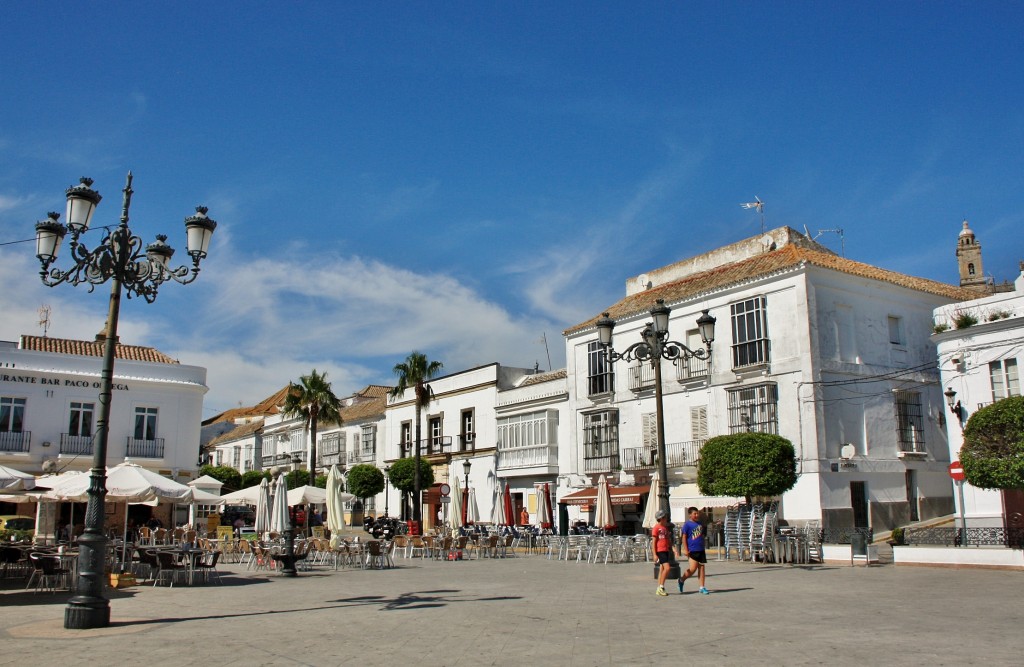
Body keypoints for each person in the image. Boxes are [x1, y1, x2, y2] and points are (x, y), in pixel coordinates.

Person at [678, 506, 710, 595]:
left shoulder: (699, 524)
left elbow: (701, 535)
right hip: (692, 549)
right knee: (692, 569)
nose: (696, 515)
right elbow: (684, 537)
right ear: (690, 515)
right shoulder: (687, 524)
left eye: (697, 513)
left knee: (702, 567)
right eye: (694, 514)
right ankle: (681, 579)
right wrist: (685, 549)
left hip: (700, 549)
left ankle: (702, 587)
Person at [652, 510, 674, 596]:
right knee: (667, 568)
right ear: (661, 519)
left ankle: (659, 588)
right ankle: (661, 587)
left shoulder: (665, 528)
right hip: (660, 550)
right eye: (665, 518)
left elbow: (668, 540)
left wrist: (673, 549)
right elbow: (653, 542)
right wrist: (654, 554)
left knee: (662, 570)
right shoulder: (656, 528)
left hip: (665, 550)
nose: (666, 519)